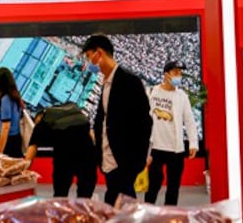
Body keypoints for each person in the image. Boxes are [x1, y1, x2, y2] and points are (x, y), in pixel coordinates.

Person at [82, 34, 152, 205]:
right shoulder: (106, 83)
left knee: (123, 204)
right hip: (108, 158)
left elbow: (144, 123)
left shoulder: (129, 81)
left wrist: (138, 161)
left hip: (124, 161)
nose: (89, 62)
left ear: (99, 53)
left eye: (89, 56)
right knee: (116, 202)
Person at [145, 60, 199, 206]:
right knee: (153, 186)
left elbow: (189, 120)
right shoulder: (151, 92)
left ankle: (169, 217)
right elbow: (144, 118)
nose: (179, 76)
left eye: (180, 73)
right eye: (176, 73)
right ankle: (147, 214)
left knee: (173, 189)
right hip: (156, 147)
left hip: (176, 150)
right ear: (166, 75)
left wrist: (193, 143)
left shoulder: (182, 96)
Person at [24, 102, 96, 198]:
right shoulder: (72, 109)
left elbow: (32, 148)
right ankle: (83, 211)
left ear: (39, 117)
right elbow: (90, 133)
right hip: (87, 155)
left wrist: (24, 171)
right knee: (85, 196)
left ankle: (61, 211)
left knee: (60, 195)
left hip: (64, 157)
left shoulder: (42, 122)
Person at [0, 67, 24, 157]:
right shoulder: (15, 97)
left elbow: (6, 127)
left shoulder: (5, 99)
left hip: (7, 141)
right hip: (15, 139)